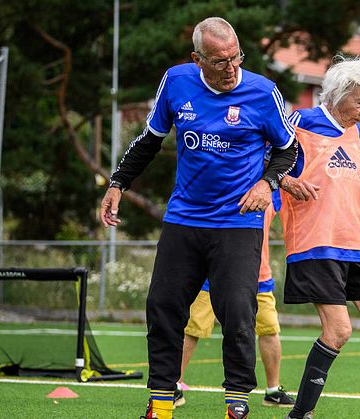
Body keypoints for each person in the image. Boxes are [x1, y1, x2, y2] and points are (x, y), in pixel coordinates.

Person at [99, 17, 314, 419]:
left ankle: (236, 400)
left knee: (236, 312)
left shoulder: (263, 93)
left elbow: (290, 150)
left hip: (238, 223)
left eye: (236, 57)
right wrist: (117, 184)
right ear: (197, 59)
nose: (231, 68)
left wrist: (268, 183)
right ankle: (162, 400)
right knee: (162, 305)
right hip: (184, 218)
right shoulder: (177, 82)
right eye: (219, 61)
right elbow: (149, 141)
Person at [279, 56, 360, 419]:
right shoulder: (299, 123)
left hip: (356, 246)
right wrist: (287, 181)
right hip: (315, 243)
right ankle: (299, 414)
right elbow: (262, 163)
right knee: (338, 330)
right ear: (338, 94)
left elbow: (354, 193)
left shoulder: (359, 135)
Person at [175, 190, 295, 409]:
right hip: (213, 272)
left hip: (258, 275)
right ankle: (174, 385)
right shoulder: (227, 184)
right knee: (193, 329)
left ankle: (273, 391)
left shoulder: (272, 192)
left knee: (269, 330)